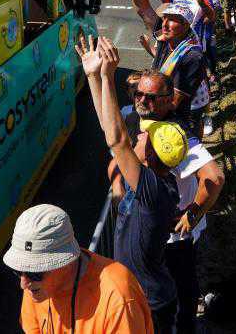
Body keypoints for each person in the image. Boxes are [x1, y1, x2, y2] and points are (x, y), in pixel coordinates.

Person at [77, 35, 184, 333]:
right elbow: (110, 129)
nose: (136, 136)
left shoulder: (153, 192)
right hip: (140, 295)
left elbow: (116, 139)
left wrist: (108, 75)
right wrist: (92, 76)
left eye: (142, 139)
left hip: (150, 303)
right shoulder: (156, 180)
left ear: (149, 156)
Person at [119, 69, 225, 333]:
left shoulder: (175, 132)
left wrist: (192, 215)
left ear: (169, 100)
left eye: (151, 97)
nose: (142, 100)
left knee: (180, 298)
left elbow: (214, 177)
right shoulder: (138, 120)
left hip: (173, 241)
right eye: (138, 94)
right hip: (148, 234)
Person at [5, 204, 154, 333]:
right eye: (19, 271)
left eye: (34, 272)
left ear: (65, 262)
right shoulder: (35, 286)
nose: (23, 284)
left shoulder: (117, 297)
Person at [126, 0, 209, 137]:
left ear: (187, 25)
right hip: (163, 97)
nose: (165, 24)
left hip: (187, 106)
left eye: (173, 20)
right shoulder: (167, 35)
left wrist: (142, 105)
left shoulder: (191, 55)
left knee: (189, 135)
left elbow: (174, 102)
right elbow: (143, 8)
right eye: (165, 18)